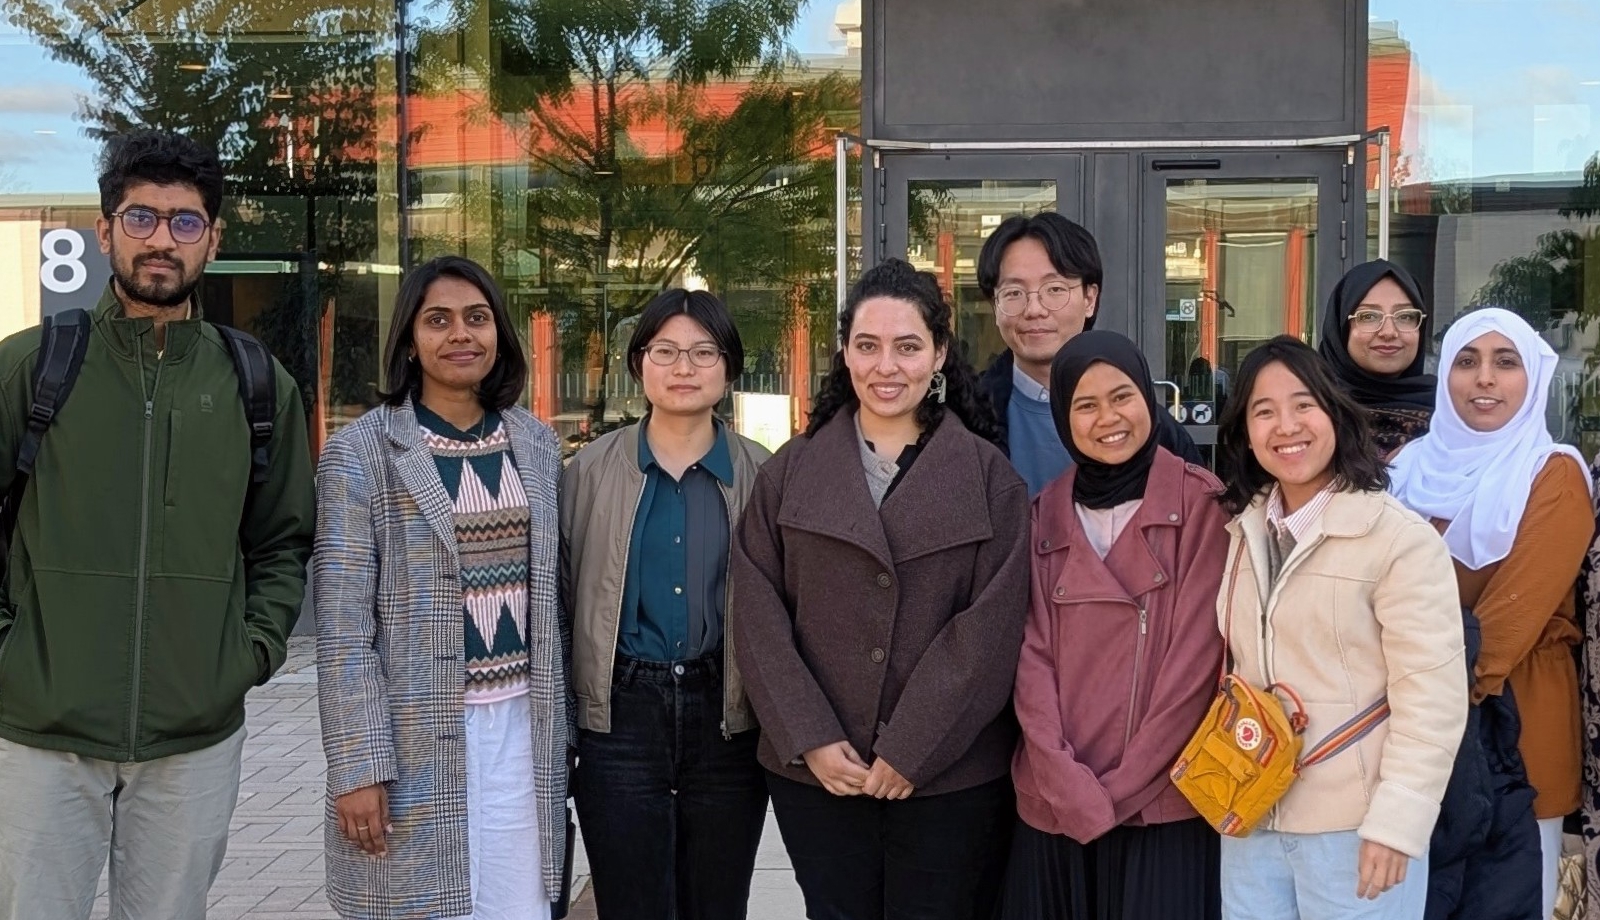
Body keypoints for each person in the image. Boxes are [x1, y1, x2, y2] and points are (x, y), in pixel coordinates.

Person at [0, 129, 315, 920]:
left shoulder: (256, 383)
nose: (161, 241)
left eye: (184, 222)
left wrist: (249, 653)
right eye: (141, 218)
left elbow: (281, 539)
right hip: (40, 731)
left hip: (193, 735)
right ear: (104, 231)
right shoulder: (31, 366)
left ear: (213, 238)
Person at [732, 258, 1030, 920]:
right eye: (867, 346)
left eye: (908, 346)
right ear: (844, 354)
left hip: (948, 777)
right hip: (820, 777)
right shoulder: (790, 472)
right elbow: (757, 615)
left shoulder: (989, 479)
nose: (886, 366)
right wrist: (809, 735)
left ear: (940, 355)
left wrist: (911, 745)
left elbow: (990, 629)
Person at [314, 255, 570, 920]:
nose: (461, 335)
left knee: (519, 905)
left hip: (522, 729)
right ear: (409, 340)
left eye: (477, 319)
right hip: (415, 732)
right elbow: (343, 629)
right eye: (438, 320)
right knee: (424, 906)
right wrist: (358, 764)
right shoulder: (362, 451)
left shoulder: (537, 446)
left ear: (499, 334)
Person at [1213, 335, 1466, 920]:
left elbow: (1433, 698)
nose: (1286, 426)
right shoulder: (1246, 531)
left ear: (1334, 411)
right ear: (1245, 432)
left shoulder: (1398, 539)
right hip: (1252, 818)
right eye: (1264, 410)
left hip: (1355, 829)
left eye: (1303, 404)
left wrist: (1397, 824)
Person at [1000, 331, 1229, 920]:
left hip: (1163, 799)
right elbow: (1030, 658)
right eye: (1085, 404)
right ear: (1062, 417)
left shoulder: (1202, 505)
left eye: (1122, 396)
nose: (1109, 418)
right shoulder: (1042, 513)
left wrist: (1117, 791)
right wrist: (1064, 781)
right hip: (1054, 800)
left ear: (1150, 401)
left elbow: (1194, 670)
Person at [559, 289, 771, 920]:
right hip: (621, 714)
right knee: (630, 902)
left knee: (717, 902)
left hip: (727, 715)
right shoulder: (586, 474)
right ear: (638, 365)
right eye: (666, 352)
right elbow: (561, 598)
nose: (685, 368)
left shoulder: (765, 476)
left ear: (730, 369)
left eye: (704, 353)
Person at [1389, 308, 1593, 920]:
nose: (1485, 379)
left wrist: (1406, 698)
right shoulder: (1403, 470)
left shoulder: (1553, 473)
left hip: (1515, 723)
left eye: (1506, 363)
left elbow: (1510, 621)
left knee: (1508, 900)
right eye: (1467, 362)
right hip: (1411, 732)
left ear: (1533, 378)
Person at [976, 212, 1199, 495]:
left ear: (1090, 299)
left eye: (1054, 289)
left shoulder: (1154, 429)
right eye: (1013, 293)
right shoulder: (968, 418)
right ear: (995, 306)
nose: (1034, 309)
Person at [1317, 259, 1436, 457]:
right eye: (1368, 316)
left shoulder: (1453, 413)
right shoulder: (1309, 412)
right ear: (1340, 328)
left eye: (1405, 316)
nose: (1388, 332)